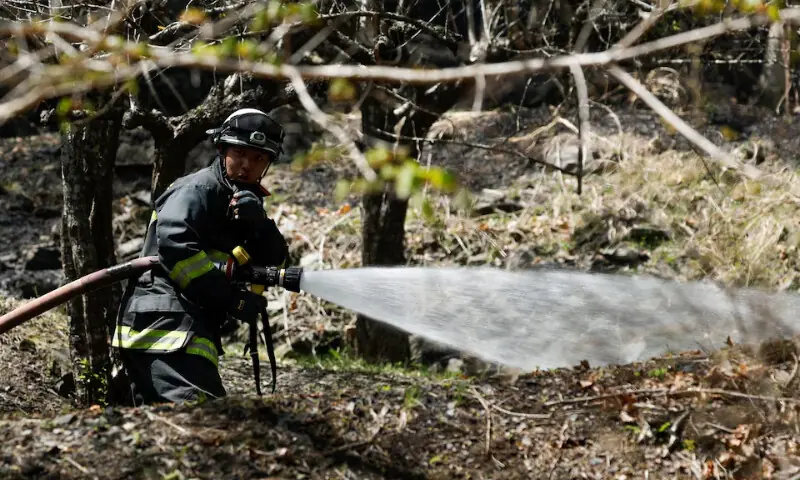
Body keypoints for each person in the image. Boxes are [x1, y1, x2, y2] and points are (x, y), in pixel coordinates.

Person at [111, 108, 290, 406]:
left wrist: (260, 226)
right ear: (221, 149)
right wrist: (230, 299)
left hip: (186, 328)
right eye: (239, 153)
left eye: (259, 158)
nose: (247, 165)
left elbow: (275, 265)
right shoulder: (198, 189)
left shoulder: (243, 202)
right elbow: (177, 249)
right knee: (201, 421)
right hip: (164, 325)